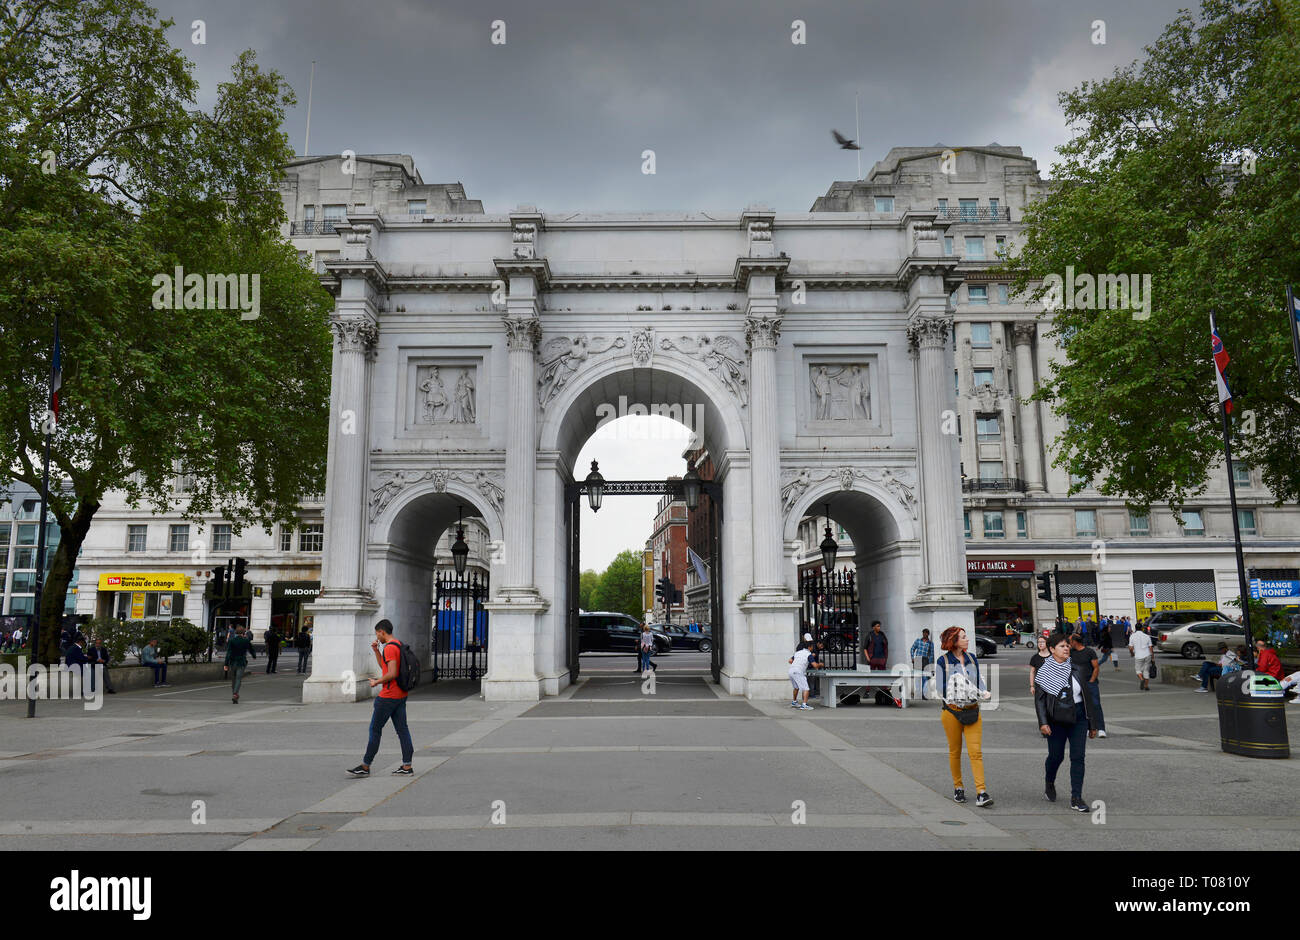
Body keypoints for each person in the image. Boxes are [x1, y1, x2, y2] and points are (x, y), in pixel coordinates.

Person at [1035, 631, 1100, 812]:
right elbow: (1040, 700)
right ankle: (1049, 782)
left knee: (1078, 757)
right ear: (1051, 649)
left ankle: (1076, 797)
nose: (1066, 649)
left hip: (1078, 717)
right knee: (1056, 756)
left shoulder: (1076, 668)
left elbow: (1088, 697)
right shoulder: (1044, 671)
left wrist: (1092, 724)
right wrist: (1043, 722)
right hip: (1056, 719)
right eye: (1062, 646)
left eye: (1067, 646)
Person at [935, 626, 994, 808]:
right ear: (953, 641)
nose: (967, 639)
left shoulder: (971, 658)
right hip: (952, 712)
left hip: (972, 710)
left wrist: (983, 691)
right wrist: (962, 691)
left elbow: (979, 681)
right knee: (955, 752)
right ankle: (958, 787)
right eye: (963, 637)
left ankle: (981, 792)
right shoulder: (942, 661)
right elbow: (940, 688)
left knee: (976, 752)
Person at [347, 619, 414, 777]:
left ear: (382, 632)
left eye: (377, 633)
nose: (377, 636)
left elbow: (391, 673)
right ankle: (407, 766)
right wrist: (377, 651)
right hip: (400, 695)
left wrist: (376, 682)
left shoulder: (390, 648)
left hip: (388, 696)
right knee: (402, 730)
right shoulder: (397, 644)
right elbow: (385, 667)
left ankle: (365, 765)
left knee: (375, 730)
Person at [1068, 633, 1106, 737]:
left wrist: (1091, 681)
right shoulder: (1070, 652)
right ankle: (1088, 727)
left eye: (1070, 641)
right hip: (1077, 684)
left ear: (1075, 642)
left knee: (1095, 705)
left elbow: (1096, 667)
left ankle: (1101, 728)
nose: (1068, 643)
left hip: (1089, 683)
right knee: (1082, 707)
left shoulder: (1089, 652)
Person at [223, 624, 257, 704]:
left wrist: (226, 664)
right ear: (243, 632)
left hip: (232, 662)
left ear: (236, 632)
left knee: (233, 679)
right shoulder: (246, 641)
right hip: (241, 662)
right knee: (238, 678)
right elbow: (251, 649)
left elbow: (228, 653)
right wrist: (254, 656)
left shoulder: (232, 641)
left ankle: (234, 693)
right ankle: (235, 694)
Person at [788, 641, 823, 710]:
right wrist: (821, 664)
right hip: (798, 671)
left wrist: (799, 662)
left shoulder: (797, 653)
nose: (813, 648)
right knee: (806, 688)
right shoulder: (808, 654)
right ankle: (804, 705)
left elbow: (790, 661)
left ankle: (794, 702)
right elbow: (815, 665)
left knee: (796, 687)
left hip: (791, 671)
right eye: (812, 647)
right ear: (809, 647)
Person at [909, 628, 934, 699]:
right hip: (918, 659)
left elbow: (931, 654)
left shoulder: (930, 643)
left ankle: (924, 694)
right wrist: (912, 657)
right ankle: (918, 693)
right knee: (917, 677)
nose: (925, 634)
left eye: (926, 633)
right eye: (924, 633)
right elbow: (912, 649)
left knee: (925, 677)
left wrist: (930, 664)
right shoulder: (918, 641)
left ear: (928, 634)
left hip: (925, 660)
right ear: (922, 633)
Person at [1129, 624, 1154, 691]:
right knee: (1146, 670)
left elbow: (1131, 648)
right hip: (1147, 655)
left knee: (1138, 670)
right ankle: (1146, 686)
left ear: (1135, 628)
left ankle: (1141, 679)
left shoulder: (1132, 636)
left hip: (1138, 655)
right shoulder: (1147, 636)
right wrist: (1152, 657)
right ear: (1142, 628)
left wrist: (1132, 654)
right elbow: (1150, 647)